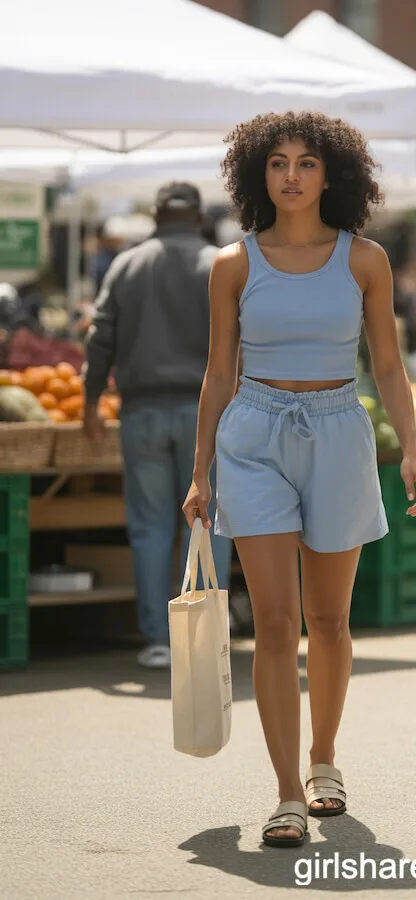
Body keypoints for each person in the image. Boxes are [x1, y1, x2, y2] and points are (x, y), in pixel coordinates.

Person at [182, 111, 416, 848]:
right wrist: (201, 470)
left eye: (307, 163)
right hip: (253, 435)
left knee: (328, 621)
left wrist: (412, 451)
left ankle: (326, 759)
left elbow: (387, 363)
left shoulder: (366, 261)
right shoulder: (232, 264)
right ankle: (287, 792)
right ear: (258, 174)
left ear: (333, 175)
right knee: (275, 623)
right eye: (278, 164)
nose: (291, 176)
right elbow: (218, 371)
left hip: (339, 429)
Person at [83, 181, 233, 669]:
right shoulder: (220, 260)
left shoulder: (128, 264)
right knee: (208, 524)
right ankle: (208, 636)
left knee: (149, 528)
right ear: (196, 216)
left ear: (154, 214)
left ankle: (157, 640)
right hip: (208, 413)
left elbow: (100, 336)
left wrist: (89, 403)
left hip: (142, 409)